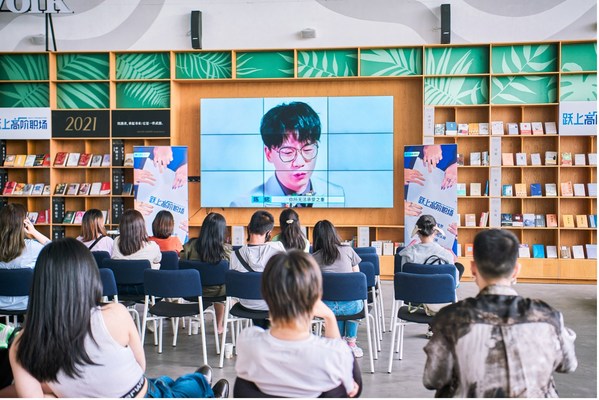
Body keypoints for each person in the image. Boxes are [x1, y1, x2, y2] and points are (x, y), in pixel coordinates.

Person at [7, 238, 218, 398]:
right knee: (178, 386)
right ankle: (202, 384)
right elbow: (140, 366)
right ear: (89, 277)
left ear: (40, 284)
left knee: (164, 381)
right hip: (143, 393)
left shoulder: (21, 345)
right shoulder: (114, 313)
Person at [423, 229, 578, 397]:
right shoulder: (548, 317)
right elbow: (568, 364)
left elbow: (432, 379)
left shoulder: (449, 319)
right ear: (516, 270)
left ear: (473, 269)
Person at [235, 250, 361, 397]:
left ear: (264, 293)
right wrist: (330, 317)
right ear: (317, 296)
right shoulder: (335, 353)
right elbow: (351, 390)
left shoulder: (247, 341)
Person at [230, 101, 344, 207]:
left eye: (307, 150)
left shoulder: (336, 194)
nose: (299, 163)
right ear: (269, 154)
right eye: (288, 152)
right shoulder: (243, 205)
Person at [311, 220, 364, 358]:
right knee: (351, 299)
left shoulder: (313, 258)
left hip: (326, 308)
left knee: (335, 301)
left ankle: (338, 341)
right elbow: (357, 279)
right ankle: (351, 343)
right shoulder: (348, 250)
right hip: (352, 307)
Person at [180, 212, 232, 334]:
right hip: (218, 293)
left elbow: (182, 265)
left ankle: (197, 320)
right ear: (222, 231)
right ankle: (219, 326)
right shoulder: (226, 251)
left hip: (192, 291)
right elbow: (231, 271)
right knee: (222, 288)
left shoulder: (189, 246)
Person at [230, 211, 285, 313]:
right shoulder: (278, 251)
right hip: (273, 305)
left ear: (249, 227)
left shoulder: (234, 255)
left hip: (245, 305)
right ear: (269, 232)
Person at [0, 203, 50, 311]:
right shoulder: (33, 247)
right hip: (28, 304)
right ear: (24, 224)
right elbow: (56, 250)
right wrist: (34, 232)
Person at [399, 214, 464, 278]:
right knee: (459, 267)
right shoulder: (447, 255)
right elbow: (454, 282)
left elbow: (403, 279)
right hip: (440, 285)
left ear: (417, 232)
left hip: (413, 285)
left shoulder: (407, 254)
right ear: (436, 231)